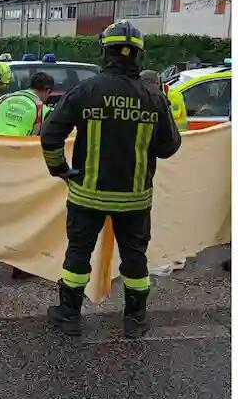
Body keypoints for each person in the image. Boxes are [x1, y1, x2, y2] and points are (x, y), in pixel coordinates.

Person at [40, 20, 181, 338]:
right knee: (135, 257)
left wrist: (59, 169)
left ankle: (69, 315)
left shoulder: (87, 90)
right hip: (135, 199)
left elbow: (50, 134)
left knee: (78, 252)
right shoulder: (153, 96)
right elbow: (169, 147)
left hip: (87, 195)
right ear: (138, 56)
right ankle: (135, 320)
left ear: (105, 51)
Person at [0, 71, 55, 282]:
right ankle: (18, 268)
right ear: (47, 91)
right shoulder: (43, 110)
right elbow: (48, 142)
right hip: (20, 171)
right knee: (20, 217)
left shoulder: (2, 100)